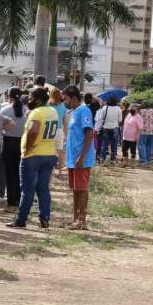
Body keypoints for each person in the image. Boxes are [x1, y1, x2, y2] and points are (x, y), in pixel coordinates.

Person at [6, 88, 59, 229]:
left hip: (33, 154)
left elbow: (34, 130)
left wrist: (28, 148)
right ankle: (45, 218)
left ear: (38, 100)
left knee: (28, 190)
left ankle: (21, 220)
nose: (28, 99)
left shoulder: (36, 113)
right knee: (43, 188)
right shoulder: (52, 111)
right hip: (49, 153)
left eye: (30, 97)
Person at [62, 85, 95, 231]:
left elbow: (89, 133)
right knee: (75, 189)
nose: (65, 101)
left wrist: (82, 155)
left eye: (66, 98)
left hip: (81, 158)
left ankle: (82, 220)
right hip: (73, 158)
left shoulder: (84, 111)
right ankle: (75, 219)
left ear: (74, 98)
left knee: (81, 189)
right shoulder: (73, 112)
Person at [1, 87, 28, 209]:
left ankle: (11, 199)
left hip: (8, 142)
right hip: (23, 143)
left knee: (9, 172)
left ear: (10, 97)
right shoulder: (27, 111)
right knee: (20, 172)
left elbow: (0, 127)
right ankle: (19, 198)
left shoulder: (4, 110)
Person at [48, 87, 69, 178]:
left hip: (49, 130)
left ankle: (50, 172)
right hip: (59, 131)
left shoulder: (48, 105)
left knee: (49, 152)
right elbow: (65, 122)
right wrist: (66, 134)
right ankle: (60, 172)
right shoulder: (63, 106)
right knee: (60, 152)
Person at [95, 97, 123, 163]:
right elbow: (120, 120)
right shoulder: (118, 109)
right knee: (114, 144)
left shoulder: (105, 108)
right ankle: (112, 159)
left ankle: (102, 158)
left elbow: (101, 118)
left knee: (104, 144)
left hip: (105, 128)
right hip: (115, 128)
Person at [138, 102, 153, 166]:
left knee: (141, 145)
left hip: (143, 131)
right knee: (148, 146)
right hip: (152, 131)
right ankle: (148, 160)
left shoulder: (141, 111)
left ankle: (143, 161)